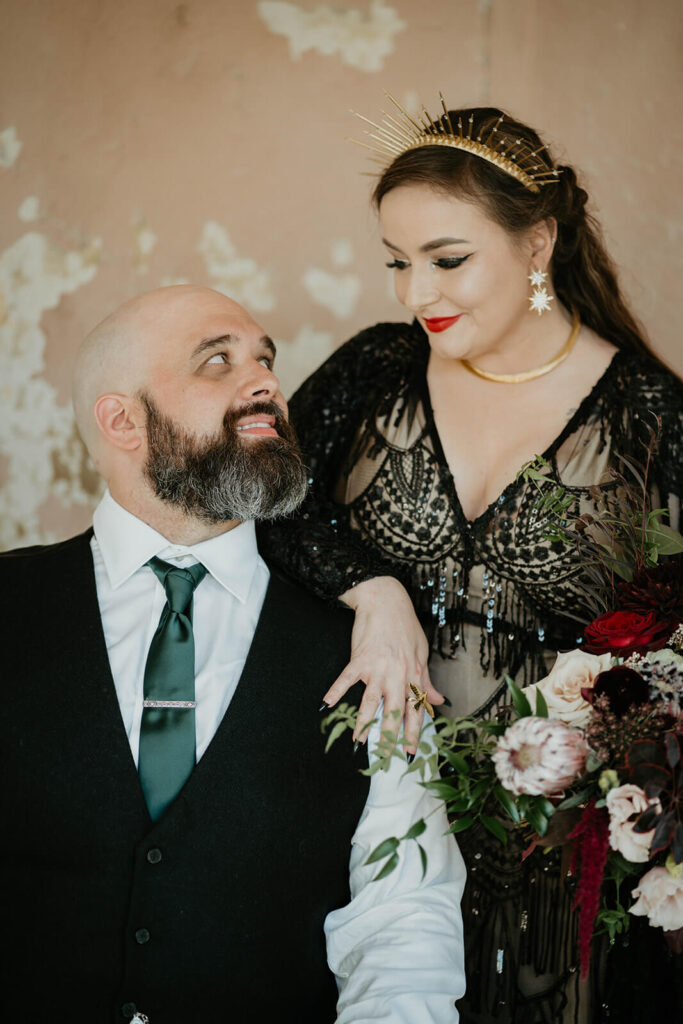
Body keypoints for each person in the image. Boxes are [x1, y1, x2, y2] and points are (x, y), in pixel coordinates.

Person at [259, 100, 683, 1022]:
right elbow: (268, 503)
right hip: (362, 808)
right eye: (397, 262)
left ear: (536, 245)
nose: (416, 294)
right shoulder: (375, 370)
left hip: (557, 854)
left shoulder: (652, 418)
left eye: (446, 260)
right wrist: (370, 588)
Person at [0, 285, 466, 1024]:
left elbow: (401, 922)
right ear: (122, 420)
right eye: (217, 361)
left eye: (264, 360)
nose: (265, 385)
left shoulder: (367, 650)